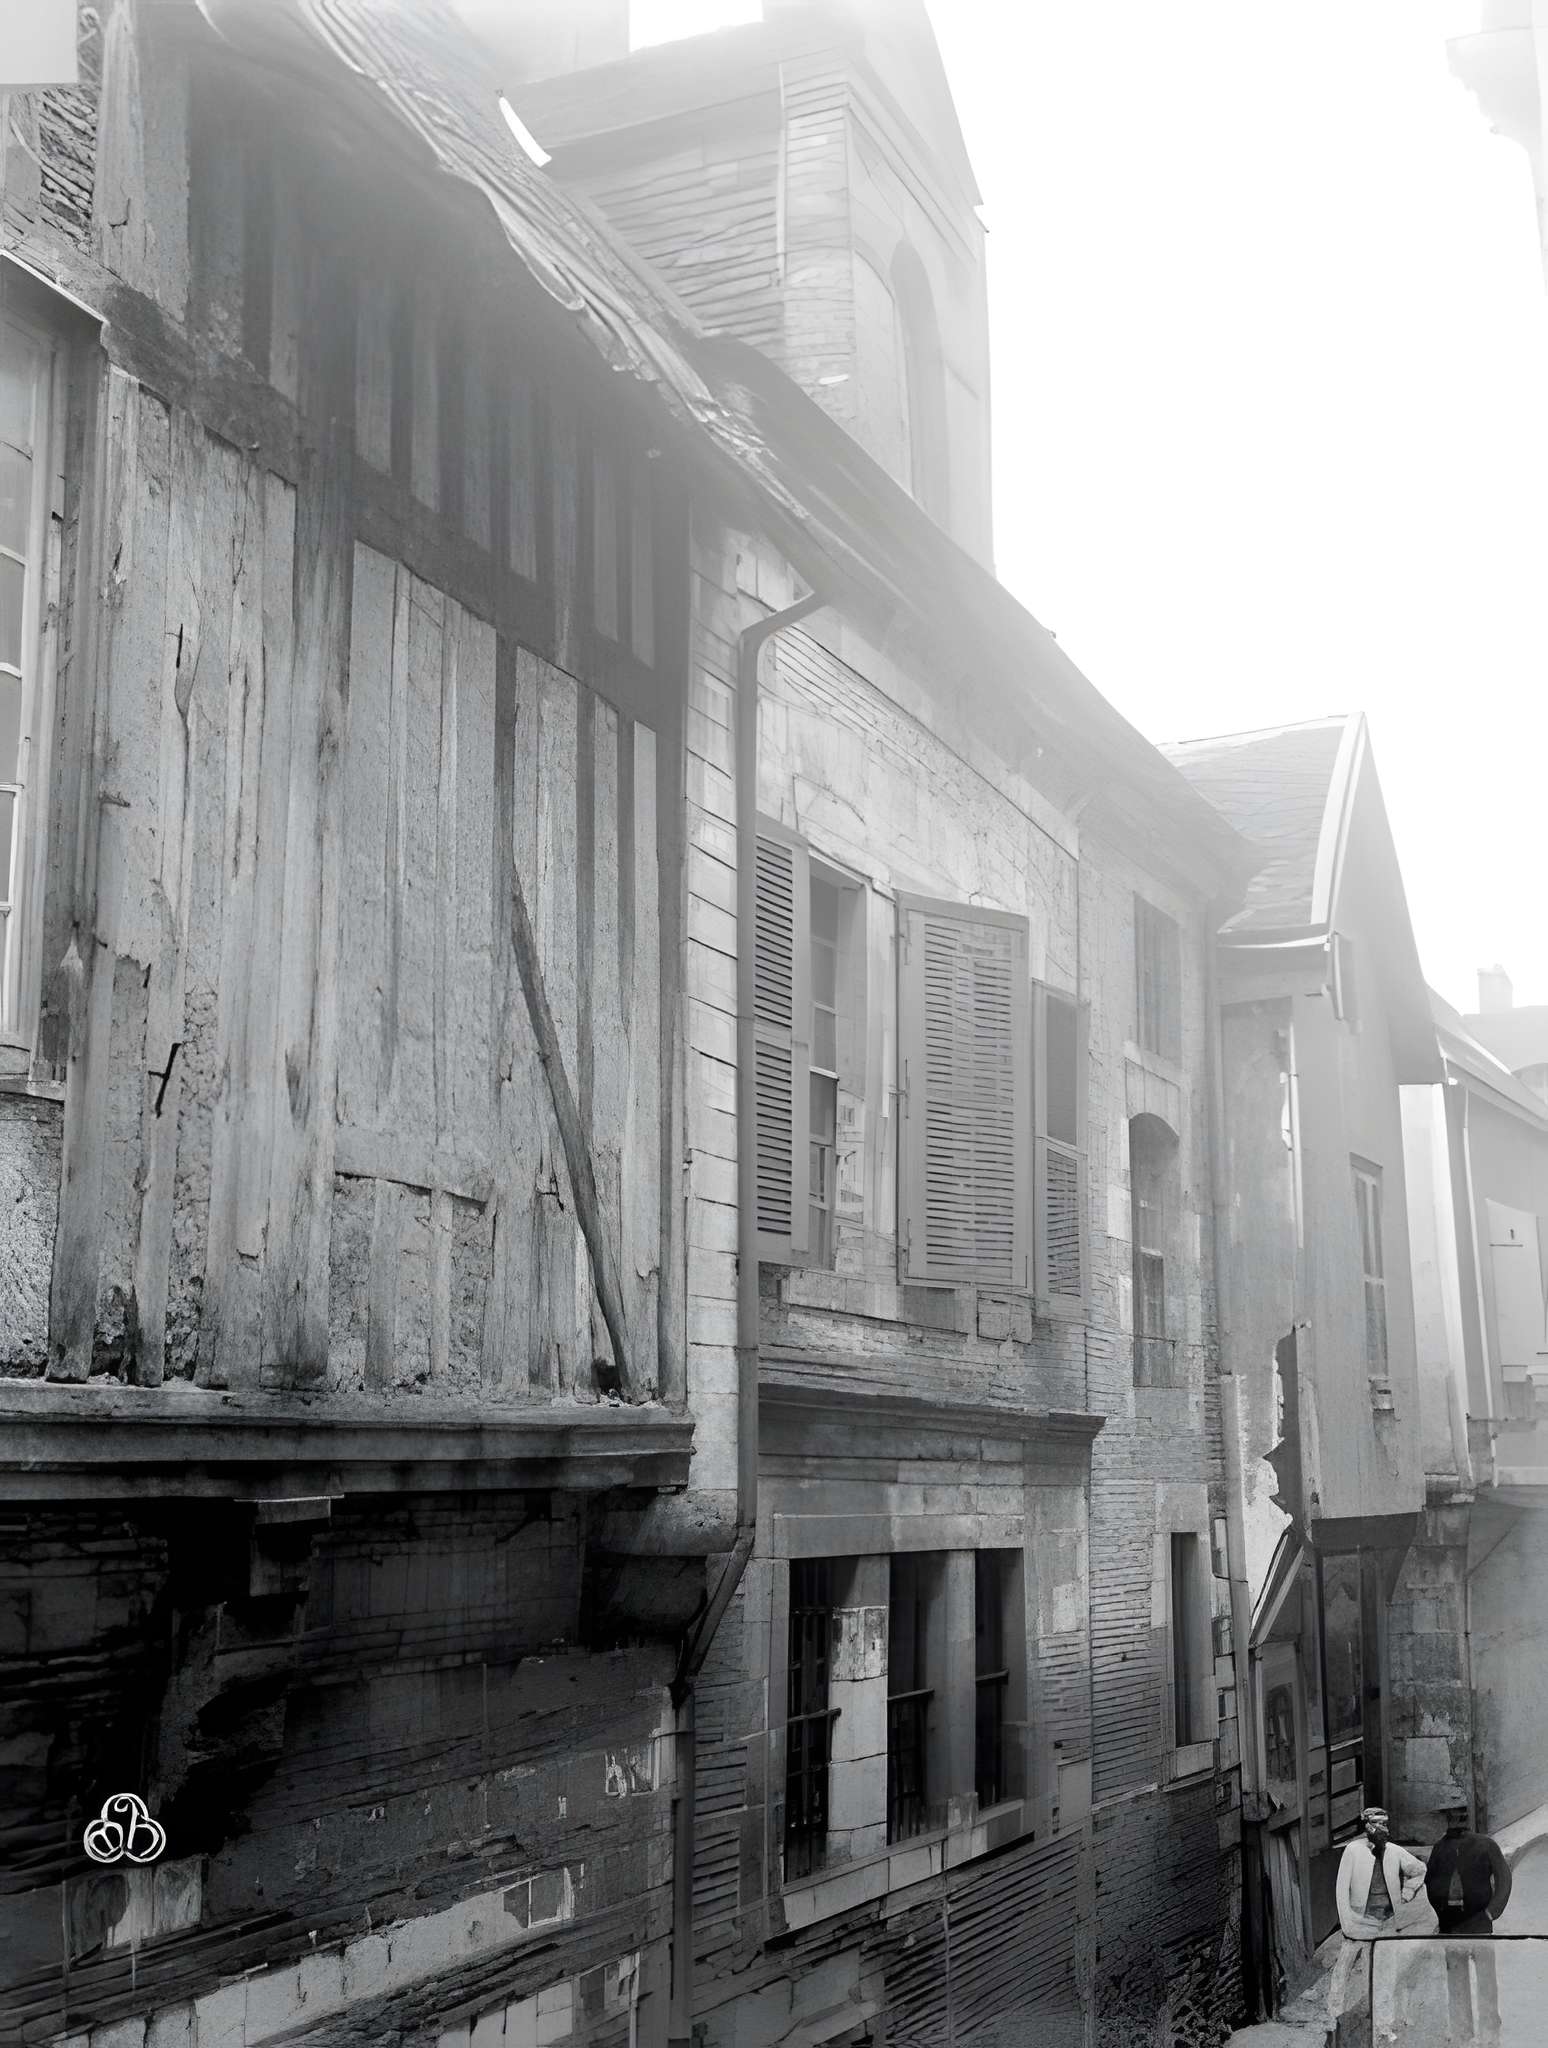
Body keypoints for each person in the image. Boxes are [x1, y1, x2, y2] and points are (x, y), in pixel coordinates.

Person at [1327, 1807, 1428, 2021]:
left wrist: (1408, 1892)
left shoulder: (1394, 1851)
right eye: (1379, 1824)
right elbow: (1341, 1888)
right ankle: (1334, 2015)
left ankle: (1381, 2017)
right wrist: (1347, 1922)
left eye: (1385, 1824)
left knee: (1383, 1970)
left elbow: (1419, 1869)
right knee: (1343, 1968)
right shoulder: (1353, 1851)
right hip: (1358, 1921)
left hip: (1386, 1923)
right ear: (1368, 1826)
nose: (1383, 1829)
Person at [1425, 1799, 1513, 1934]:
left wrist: (1491, 1913)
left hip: (1479, 1921)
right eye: (1450, 1816)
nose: (1455, 1821)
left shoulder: (1486, 1844)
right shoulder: (1440, 1847)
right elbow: (1430, 1881)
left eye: (1461, 1816)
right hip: (1449, 1922)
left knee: (1482, 1953)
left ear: (1466, 1817)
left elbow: (1504, 1879)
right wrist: (1438, 1912)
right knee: (1453, 1953)